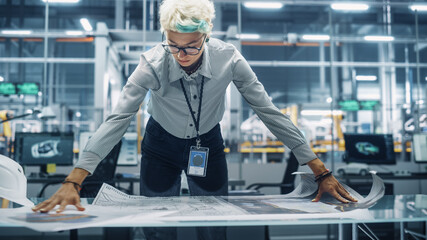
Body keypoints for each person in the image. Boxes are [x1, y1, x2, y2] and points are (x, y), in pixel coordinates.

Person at [33, 0, 357, 239]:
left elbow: (268, 112)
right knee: (157, 229)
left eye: (191, 46)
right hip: (160, 145)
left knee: (215, 228)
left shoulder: (229, 59)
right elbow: (117, 119)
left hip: (208, 145)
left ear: (206, 35)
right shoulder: (152, 63)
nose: (181, 55)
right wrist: (73, 180)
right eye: (173, 45)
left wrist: (320, 171)